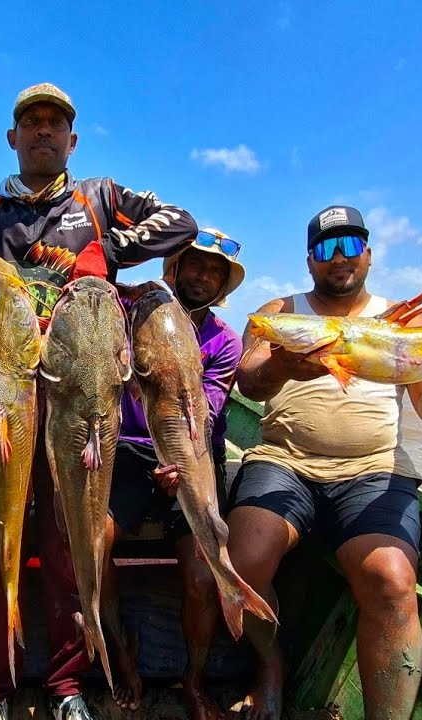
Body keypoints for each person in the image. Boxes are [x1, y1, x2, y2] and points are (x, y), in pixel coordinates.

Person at [0, 83, 199, 720]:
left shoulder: (100, 198)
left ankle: (66, 683)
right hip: (2, 397)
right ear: (12, 138)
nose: (44, 132)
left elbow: (181, 222)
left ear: (72, 141)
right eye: (32, 123)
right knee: (0, 545)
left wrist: (113, 252)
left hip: (82, 400)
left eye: (56, 125)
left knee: (71, 544)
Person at [230, 205, 422, 720]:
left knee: (392, 582)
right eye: (326, 248)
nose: (339, 258)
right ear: (310, 260)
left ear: (368, 254)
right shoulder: (280, 311)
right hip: (283, 461)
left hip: (373, 469)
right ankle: (270, 668)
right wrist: (283, 362)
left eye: (350, 245)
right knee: (242, 565)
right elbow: (251, 381)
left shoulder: (404, 324)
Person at [100, 228, 246, 720]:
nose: (203, 276)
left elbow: (204, 413)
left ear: (223, 284)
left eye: (214, 271)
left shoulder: (224, 342)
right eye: (195, 264)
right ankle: (122, 656)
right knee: (91, 542)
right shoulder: (133, 315)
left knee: (204, 576)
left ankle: (195, 680)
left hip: (195, 457)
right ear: (176, 268)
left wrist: (181, 464)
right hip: (132, 453)